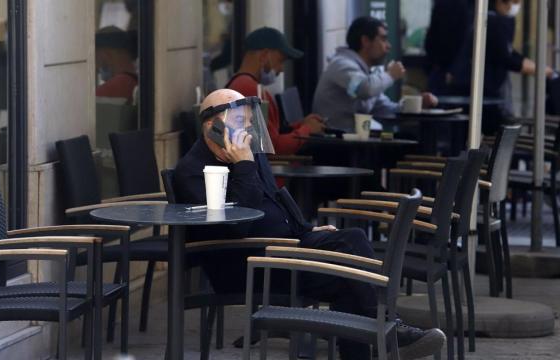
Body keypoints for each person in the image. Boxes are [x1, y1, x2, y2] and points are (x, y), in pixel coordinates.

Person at [174, 88, 446, 360]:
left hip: (285, 250)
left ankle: (385, 330)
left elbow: (276, 199)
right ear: (212, 126)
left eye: (248, 122)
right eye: (238, 122)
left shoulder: (245, 153)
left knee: (351, 250)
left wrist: (305, 228)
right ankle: (389, 330)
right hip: (249, 265)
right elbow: (234, 228)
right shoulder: (192, 171)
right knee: (349, 268)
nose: (247, 130)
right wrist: (244, 166)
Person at [312, 16, 438, 131]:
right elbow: (363, 89)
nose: (388, 46)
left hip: (355, 142)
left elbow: (386, 109)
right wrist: (390, 75)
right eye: (383, 39)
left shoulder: (363, 72)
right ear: (366, 41)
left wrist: (416, 105)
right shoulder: (342, 66)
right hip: (334, 145)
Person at [449, 0, 554, 134]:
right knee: (496, 129)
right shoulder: (493, 22)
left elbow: (510, 53)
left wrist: (540, 68)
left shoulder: (490, 19)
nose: (516, 6)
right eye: (514, 1)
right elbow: (507, 57)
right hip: (480, 91)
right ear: (500, 2)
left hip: (480, 90)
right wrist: (540, 70)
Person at [227, 27, 326, 155]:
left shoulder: (243, 84)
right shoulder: (250, 90)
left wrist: (301, 125)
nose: (281, 69)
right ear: (263, 56)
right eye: (280, 61)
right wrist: (307, 130)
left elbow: (272, 136)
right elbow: (274, 147)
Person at [95, 26, 138, 102]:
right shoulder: (137, 83)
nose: (98, 69)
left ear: (105, 54)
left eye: (96, 59)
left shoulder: (114, 87)